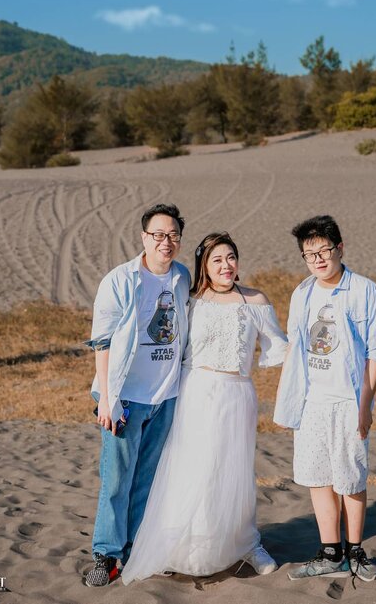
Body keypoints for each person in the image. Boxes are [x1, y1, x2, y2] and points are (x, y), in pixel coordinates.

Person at [122, 232, 288, 584]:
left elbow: (279, 347)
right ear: (204, 267)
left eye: (231, 257)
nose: (226, 265)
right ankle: (188, 542)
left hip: (237, 393)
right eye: (217, 260)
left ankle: (245, 542)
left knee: (235, 469)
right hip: (196, 391)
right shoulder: (190, 299)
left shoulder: (256, 300)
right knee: (194, 466)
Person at [274, 215, 376, 583]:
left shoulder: (365, 291)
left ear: (340, 248)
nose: (318, 260)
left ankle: (356, 550)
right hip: (312, 402)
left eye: (324, 250)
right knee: (318, 477)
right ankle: (331, 552)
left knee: (351, 477)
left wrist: (365, 405)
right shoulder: (302, 293)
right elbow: (297, 347)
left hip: (348, 402)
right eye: (309, 254)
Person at [84, 203, 191, 587]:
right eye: (159, 235)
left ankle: (135, 550)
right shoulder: (120, 279)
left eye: (173, 235)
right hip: (125, 397)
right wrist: (108, 399)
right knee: (116, 480)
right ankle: (106, 554)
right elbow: (103, 341)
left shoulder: (181, 276)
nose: (167, 242)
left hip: (165, 397)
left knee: (147, 477)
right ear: (144, 237)